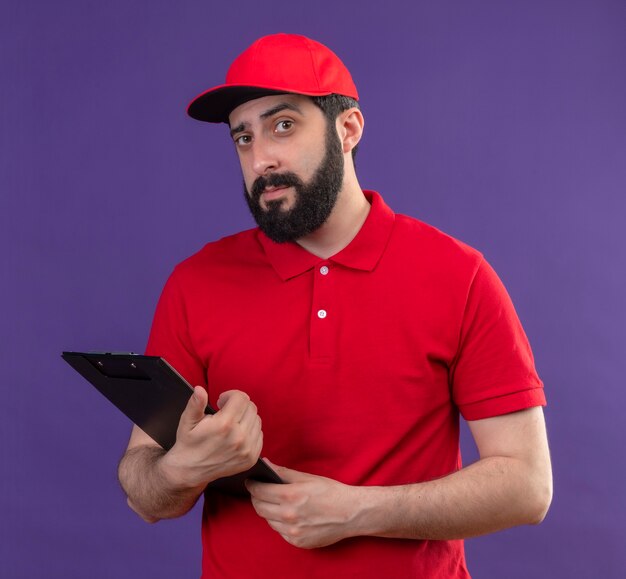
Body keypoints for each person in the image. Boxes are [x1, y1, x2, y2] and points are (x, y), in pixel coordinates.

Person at [118, 33, 552, 578]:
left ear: (348, 129)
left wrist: (357, 511)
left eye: (283, 126)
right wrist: (180, 470)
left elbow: (527, 486)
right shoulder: (196, 282)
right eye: (242, 138)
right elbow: (143, 491)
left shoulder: (459, 275)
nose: (261, 158)